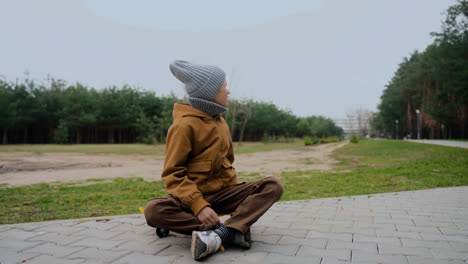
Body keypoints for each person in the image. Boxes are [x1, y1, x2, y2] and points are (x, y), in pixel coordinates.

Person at [144, 60, 283, 260]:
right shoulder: (183, 127)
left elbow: (229, 162)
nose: (228, 92)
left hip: (223, 195)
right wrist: (198, 205)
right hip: (194, 199)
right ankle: (231, 230)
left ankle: (220, 233)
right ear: (209, 92)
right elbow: (173, 175)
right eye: (224, 87)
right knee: (153, 211)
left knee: (273, 185)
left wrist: (237, 196)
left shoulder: (222, 123)